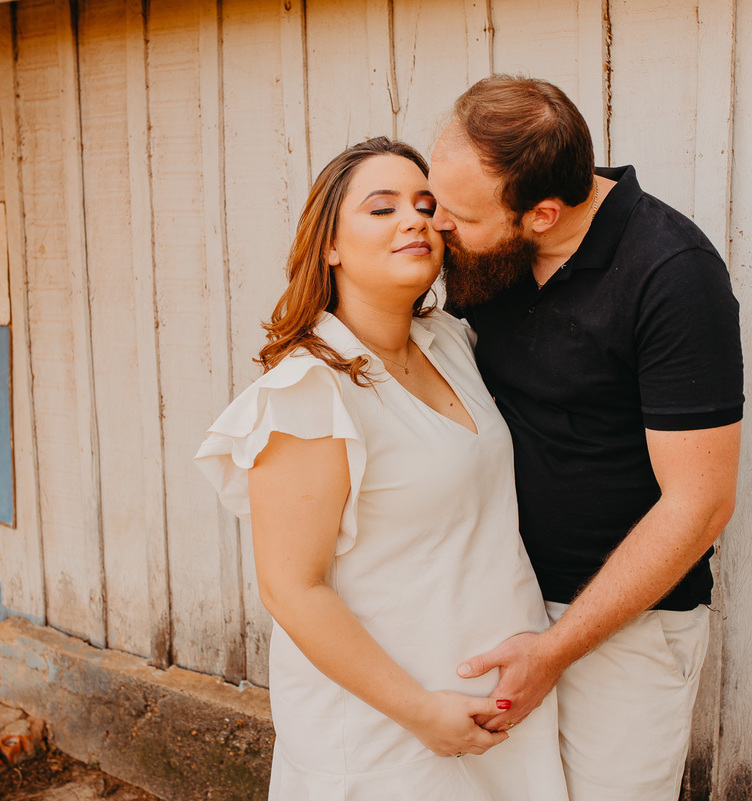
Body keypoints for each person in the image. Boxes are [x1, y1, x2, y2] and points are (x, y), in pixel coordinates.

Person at [195, 137, 568, 800]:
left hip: (495, 708)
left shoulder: (448, 341)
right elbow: (292, 588)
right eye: (382, 207)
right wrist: (422, 711)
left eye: (427, 205)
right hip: (391, 734)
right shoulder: (308, 393)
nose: (415, 219)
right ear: (329, 245)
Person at [428, 76, 744, 801]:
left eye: (459, 215)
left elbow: (700, 504)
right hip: (494, 592)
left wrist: (554, 649)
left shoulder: (672, 274)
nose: (437, 226)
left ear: (540, 214)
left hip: (623, 624)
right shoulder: (483, 250)